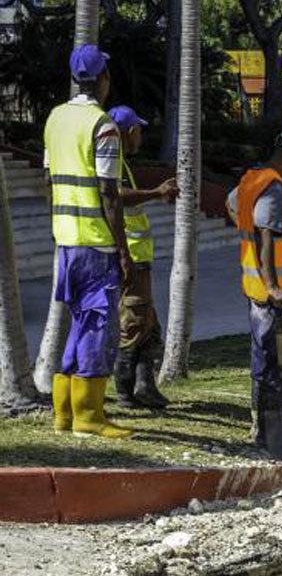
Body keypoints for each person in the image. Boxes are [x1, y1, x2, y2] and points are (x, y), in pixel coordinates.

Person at [44, 46, 135, 439]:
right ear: (103, 80)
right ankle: (89, 415)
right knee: (99, 326)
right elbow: (109, 192)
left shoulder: (55, 119)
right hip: (96, 243)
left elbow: (49, 182)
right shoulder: (104, 126)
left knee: (80, 323)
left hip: (65, 241)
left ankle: (63, 413)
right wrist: (123, 249)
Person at [227, 130, 282, 450]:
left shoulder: (251, 179)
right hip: (272, 298)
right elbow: (264, 235)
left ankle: (264, 427)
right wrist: (274, 286)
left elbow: (233, 206)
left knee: (266, 360)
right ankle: (270, 433)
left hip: (256, 291)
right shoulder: (275, 188)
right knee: (274, 362)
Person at [109, 106, 179, 409]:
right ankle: (125, 389)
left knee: (148, 324)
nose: (141, 135)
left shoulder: (122, 164)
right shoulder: (114, 165)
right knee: (136, 322)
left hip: (138, 259)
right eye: (138, 129)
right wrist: (156, 192)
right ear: (128, 132)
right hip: (131, 259)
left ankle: (143, 386)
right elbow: (116, 197)